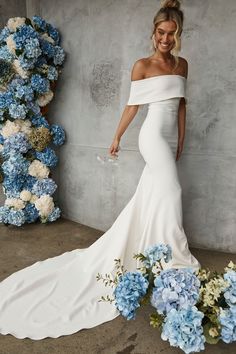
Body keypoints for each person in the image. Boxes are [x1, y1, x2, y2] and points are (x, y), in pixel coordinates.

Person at [0, 0, 201, 340]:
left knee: (152, 195)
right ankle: (174, 256)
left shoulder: (182, 65)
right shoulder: (142, 66)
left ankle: (156, 249)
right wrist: (117, 137)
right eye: (161, 33)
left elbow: (181, 106)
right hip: (151, 137)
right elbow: (132, 107)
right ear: (153, 33)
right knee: (173, 191)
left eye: (172, 33)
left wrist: (181, 141)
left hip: (169, 138)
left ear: (178, 35)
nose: (166, 39)